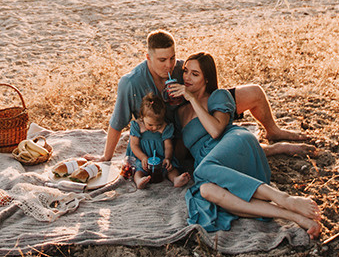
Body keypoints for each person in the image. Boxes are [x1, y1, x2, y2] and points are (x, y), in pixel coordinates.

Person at [86, 30, 314, 169]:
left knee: (254, 92)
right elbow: (117, 121)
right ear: (148, 57)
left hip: (199, 111)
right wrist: (106, 156)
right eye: (162, 59)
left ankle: (273, 130)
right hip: (174, 133)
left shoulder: (179, 68)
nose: (169, 65)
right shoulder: (131, 82)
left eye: (173, 57)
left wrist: (210, 100)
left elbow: (205, 83)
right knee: (216, 149)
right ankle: (271, 149)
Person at [171, 52, 322, 237]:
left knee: (204, 170)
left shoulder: (219, 96)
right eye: (186, 71)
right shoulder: (180, 112)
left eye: (195, 74)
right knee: (206, 190)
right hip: (212, 166)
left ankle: (284, 198)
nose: (187, 77)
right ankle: (290, 215)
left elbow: (216, 130)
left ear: (207, 79)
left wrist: (193, 99)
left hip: (233, 143)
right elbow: (179, 152)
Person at [126, 93, 178, 189]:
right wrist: (143, 157)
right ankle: (139, 181)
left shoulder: (165, 127)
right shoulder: (137, 126)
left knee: (170, 168)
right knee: (139, 170)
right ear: (142, 117)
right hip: (142, 157)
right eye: (150, 125)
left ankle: (176, 179)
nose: (154, 128)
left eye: (158, 125)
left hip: (160, 157)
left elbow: (168, 146)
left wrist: (167, 158)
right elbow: (134, 145)